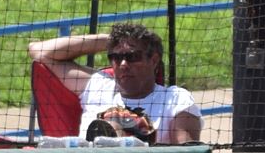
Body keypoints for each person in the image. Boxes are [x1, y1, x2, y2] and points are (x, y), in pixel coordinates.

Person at [30, 22, 202, 145]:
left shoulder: (175, 99)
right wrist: (111, 40)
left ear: (154, 60)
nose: (123, 64)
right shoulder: (98, 86)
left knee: (114, 128)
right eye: (116, 57)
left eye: (132, 57)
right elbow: (39, 51)